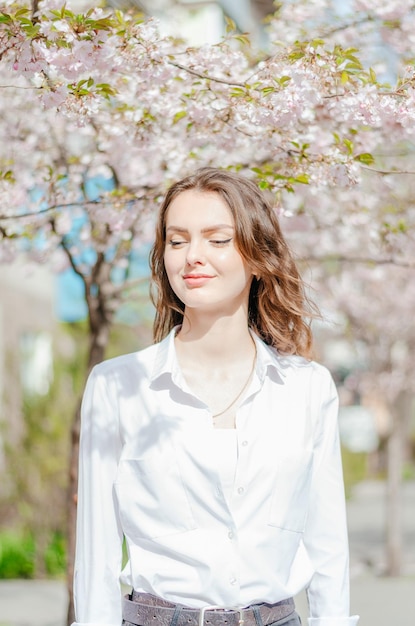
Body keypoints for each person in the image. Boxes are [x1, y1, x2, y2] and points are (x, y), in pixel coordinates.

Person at [72, 167, 359, 626]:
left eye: (217, 239)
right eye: (178, 240)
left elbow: (328, 547)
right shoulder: (116, 386)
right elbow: (96, 553)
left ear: (257, 255)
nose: (192, 257)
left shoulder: (309, 388)